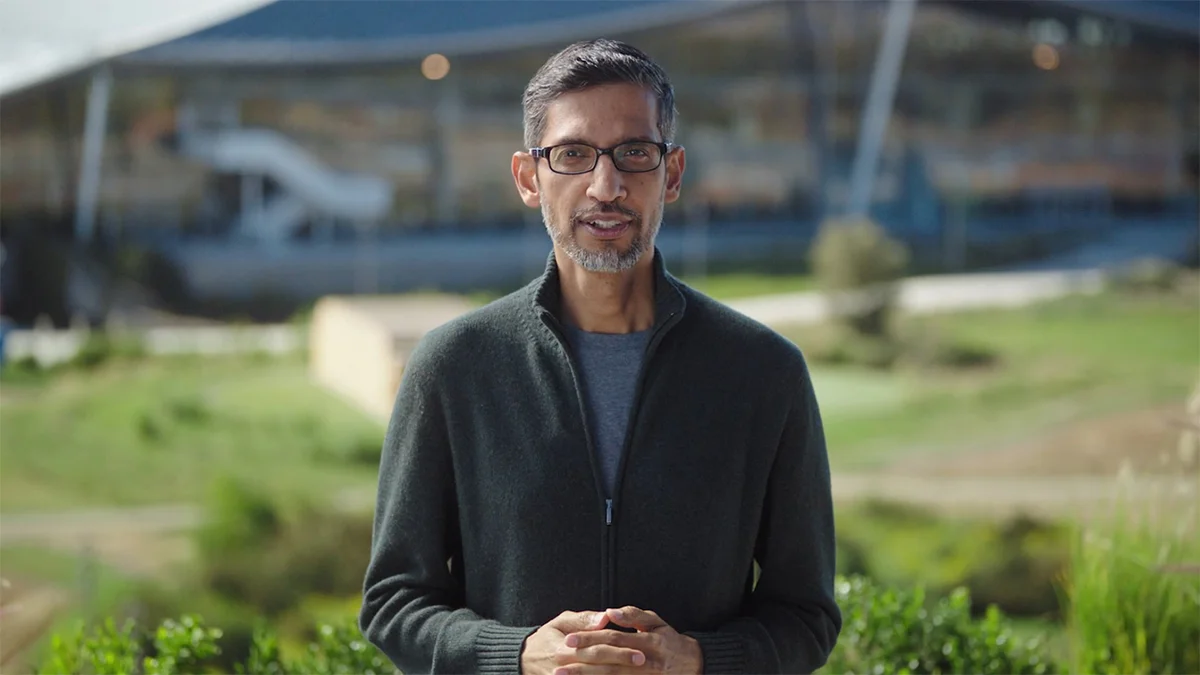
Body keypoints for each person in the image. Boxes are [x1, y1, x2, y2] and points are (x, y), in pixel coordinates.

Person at [359, 38, 841, 675]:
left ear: (671, 174)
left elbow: (806, 616)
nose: (605, 185)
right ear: (530, 178)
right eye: (573, 154)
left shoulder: (765, 373)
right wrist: (519, 654)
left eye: (634, 153)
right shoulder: (453, 367)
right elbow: (395, 603)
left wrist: (696, 660)